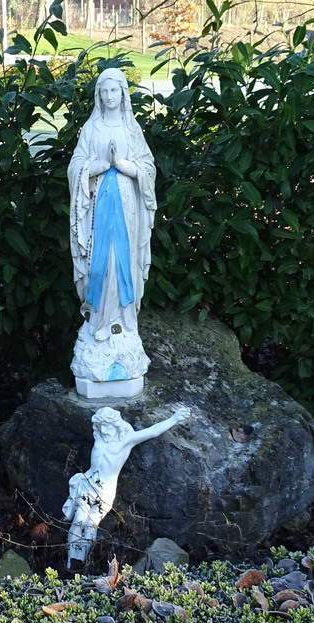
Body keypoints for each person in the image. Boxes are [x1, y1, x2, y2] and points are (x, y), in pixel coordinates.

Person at [68, 68, 158, 344]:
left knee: (122, 260)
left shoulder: (132, 129)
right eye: (104, 91)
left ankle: (122, 321)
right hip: (97, 204)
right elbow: (75, 165)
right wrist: (99, 165)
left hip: (126, 205)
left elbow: (148, 166)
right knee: (99, 261)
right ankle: (98, 319)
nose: (109, 96)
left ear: (123, 93)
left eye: (114, 90)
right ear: (98, 95)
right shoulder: (91, 128)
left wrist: (123, 165)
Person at [63, 405, 191, 567]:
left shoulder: (126, 440)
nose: (103, 430)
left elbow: (153, 431)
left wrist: (175, 418)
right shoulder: (100, 436)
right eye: (100, 427)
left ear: (115, 425)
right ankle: (71, 562)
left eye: (106, 426)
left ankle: (82, 562)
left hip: (105, 491)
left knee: (90, 525)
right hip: (87, 484)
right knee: (78, 521)